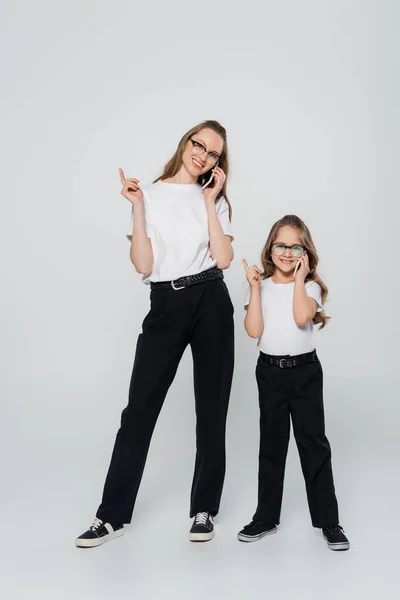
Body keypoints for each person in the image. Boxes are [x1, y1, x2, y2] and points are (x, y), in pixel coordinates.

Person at [76, 120, 235, 548]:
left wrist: (210, 201)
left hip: (211, 299)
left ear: (219, 163)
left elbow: (222, 260)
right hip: (166, 304)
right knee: (139, 411)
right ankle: (111, 516)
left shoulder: (212, 199)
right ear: (185, 142)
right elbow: (144, 265)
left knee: (212, 408)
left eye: (213, 153)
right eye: (197, 144)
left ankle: (204, 509)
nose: (202, 154)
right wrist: (139, 206)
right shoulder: (147, 193)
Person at [238, 215, 350, 551]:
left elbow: (302, 316)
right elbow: (254, 331)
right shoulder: (259, 285)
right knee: (271, 445)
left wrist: (300, 280)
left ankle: (329, 521)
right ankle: (266, 517)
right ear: (270, 248)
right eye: (281, 245)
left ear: (305, 251)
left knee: (313, 443)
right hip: (269, 372)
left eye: (295, 246)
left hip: (304, 373)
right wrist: (256, 288)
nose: (287, 252)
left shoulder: (310, 286)